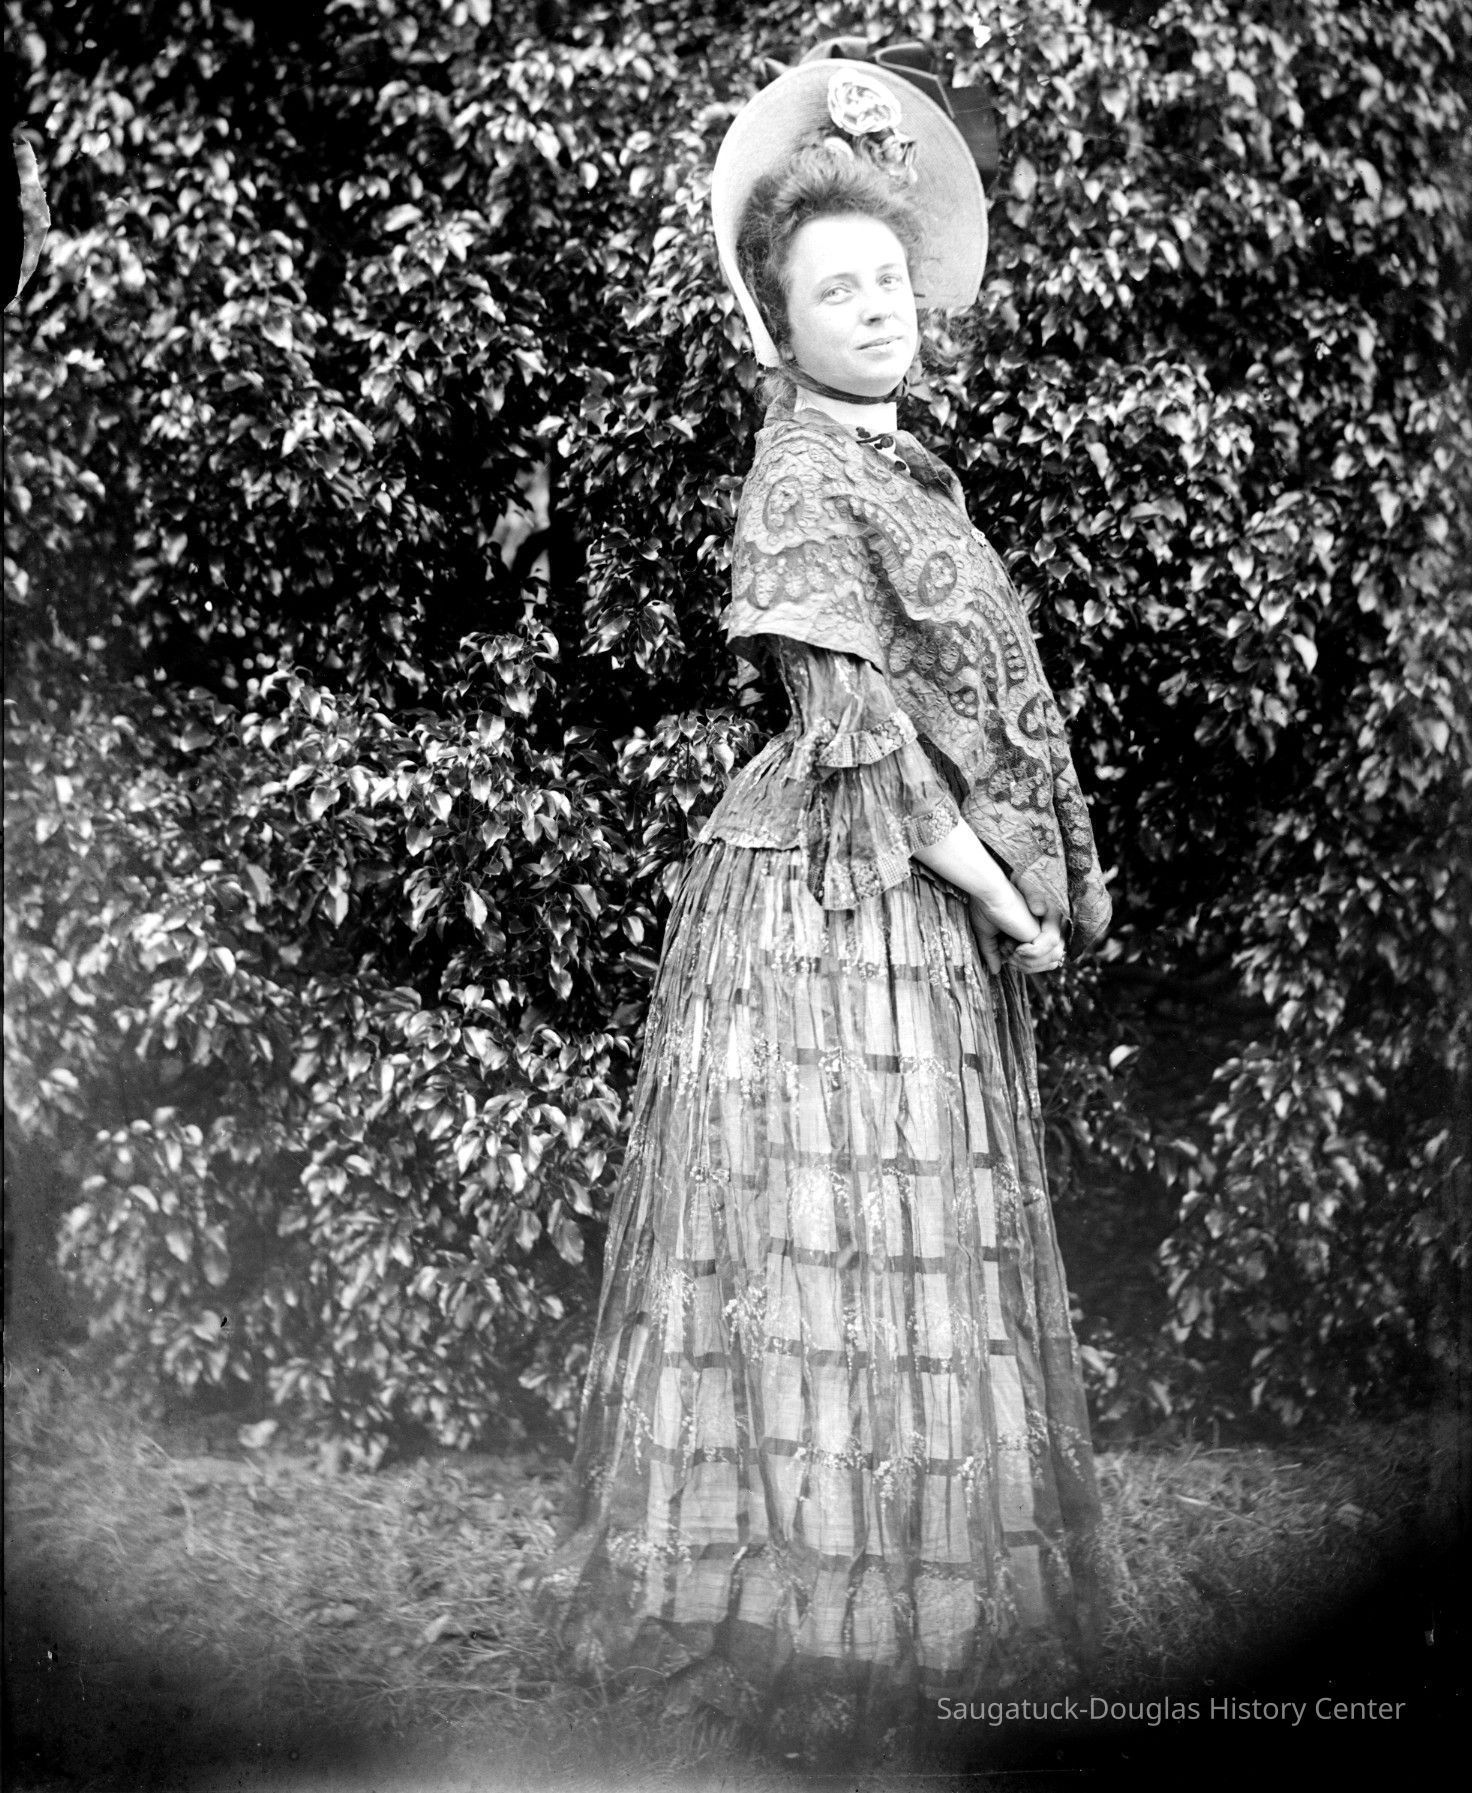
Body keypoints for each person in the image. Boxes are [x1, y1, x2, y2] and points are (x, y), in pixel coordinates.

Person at [538, 43, 1112, 1752]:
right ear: (780, 327)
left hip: (900, 907)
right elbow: (858, 743)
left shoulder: (895, 466)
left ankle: (911, 1603)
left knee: (911, 1247)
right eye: (833, 290)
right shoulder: (799, 474)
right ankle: (819, 1623)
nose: (873, 309)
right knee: (824, 1245)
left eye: (885, 280)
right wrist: (1004, 900)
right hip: (831, 910)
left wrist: (1006, 893)